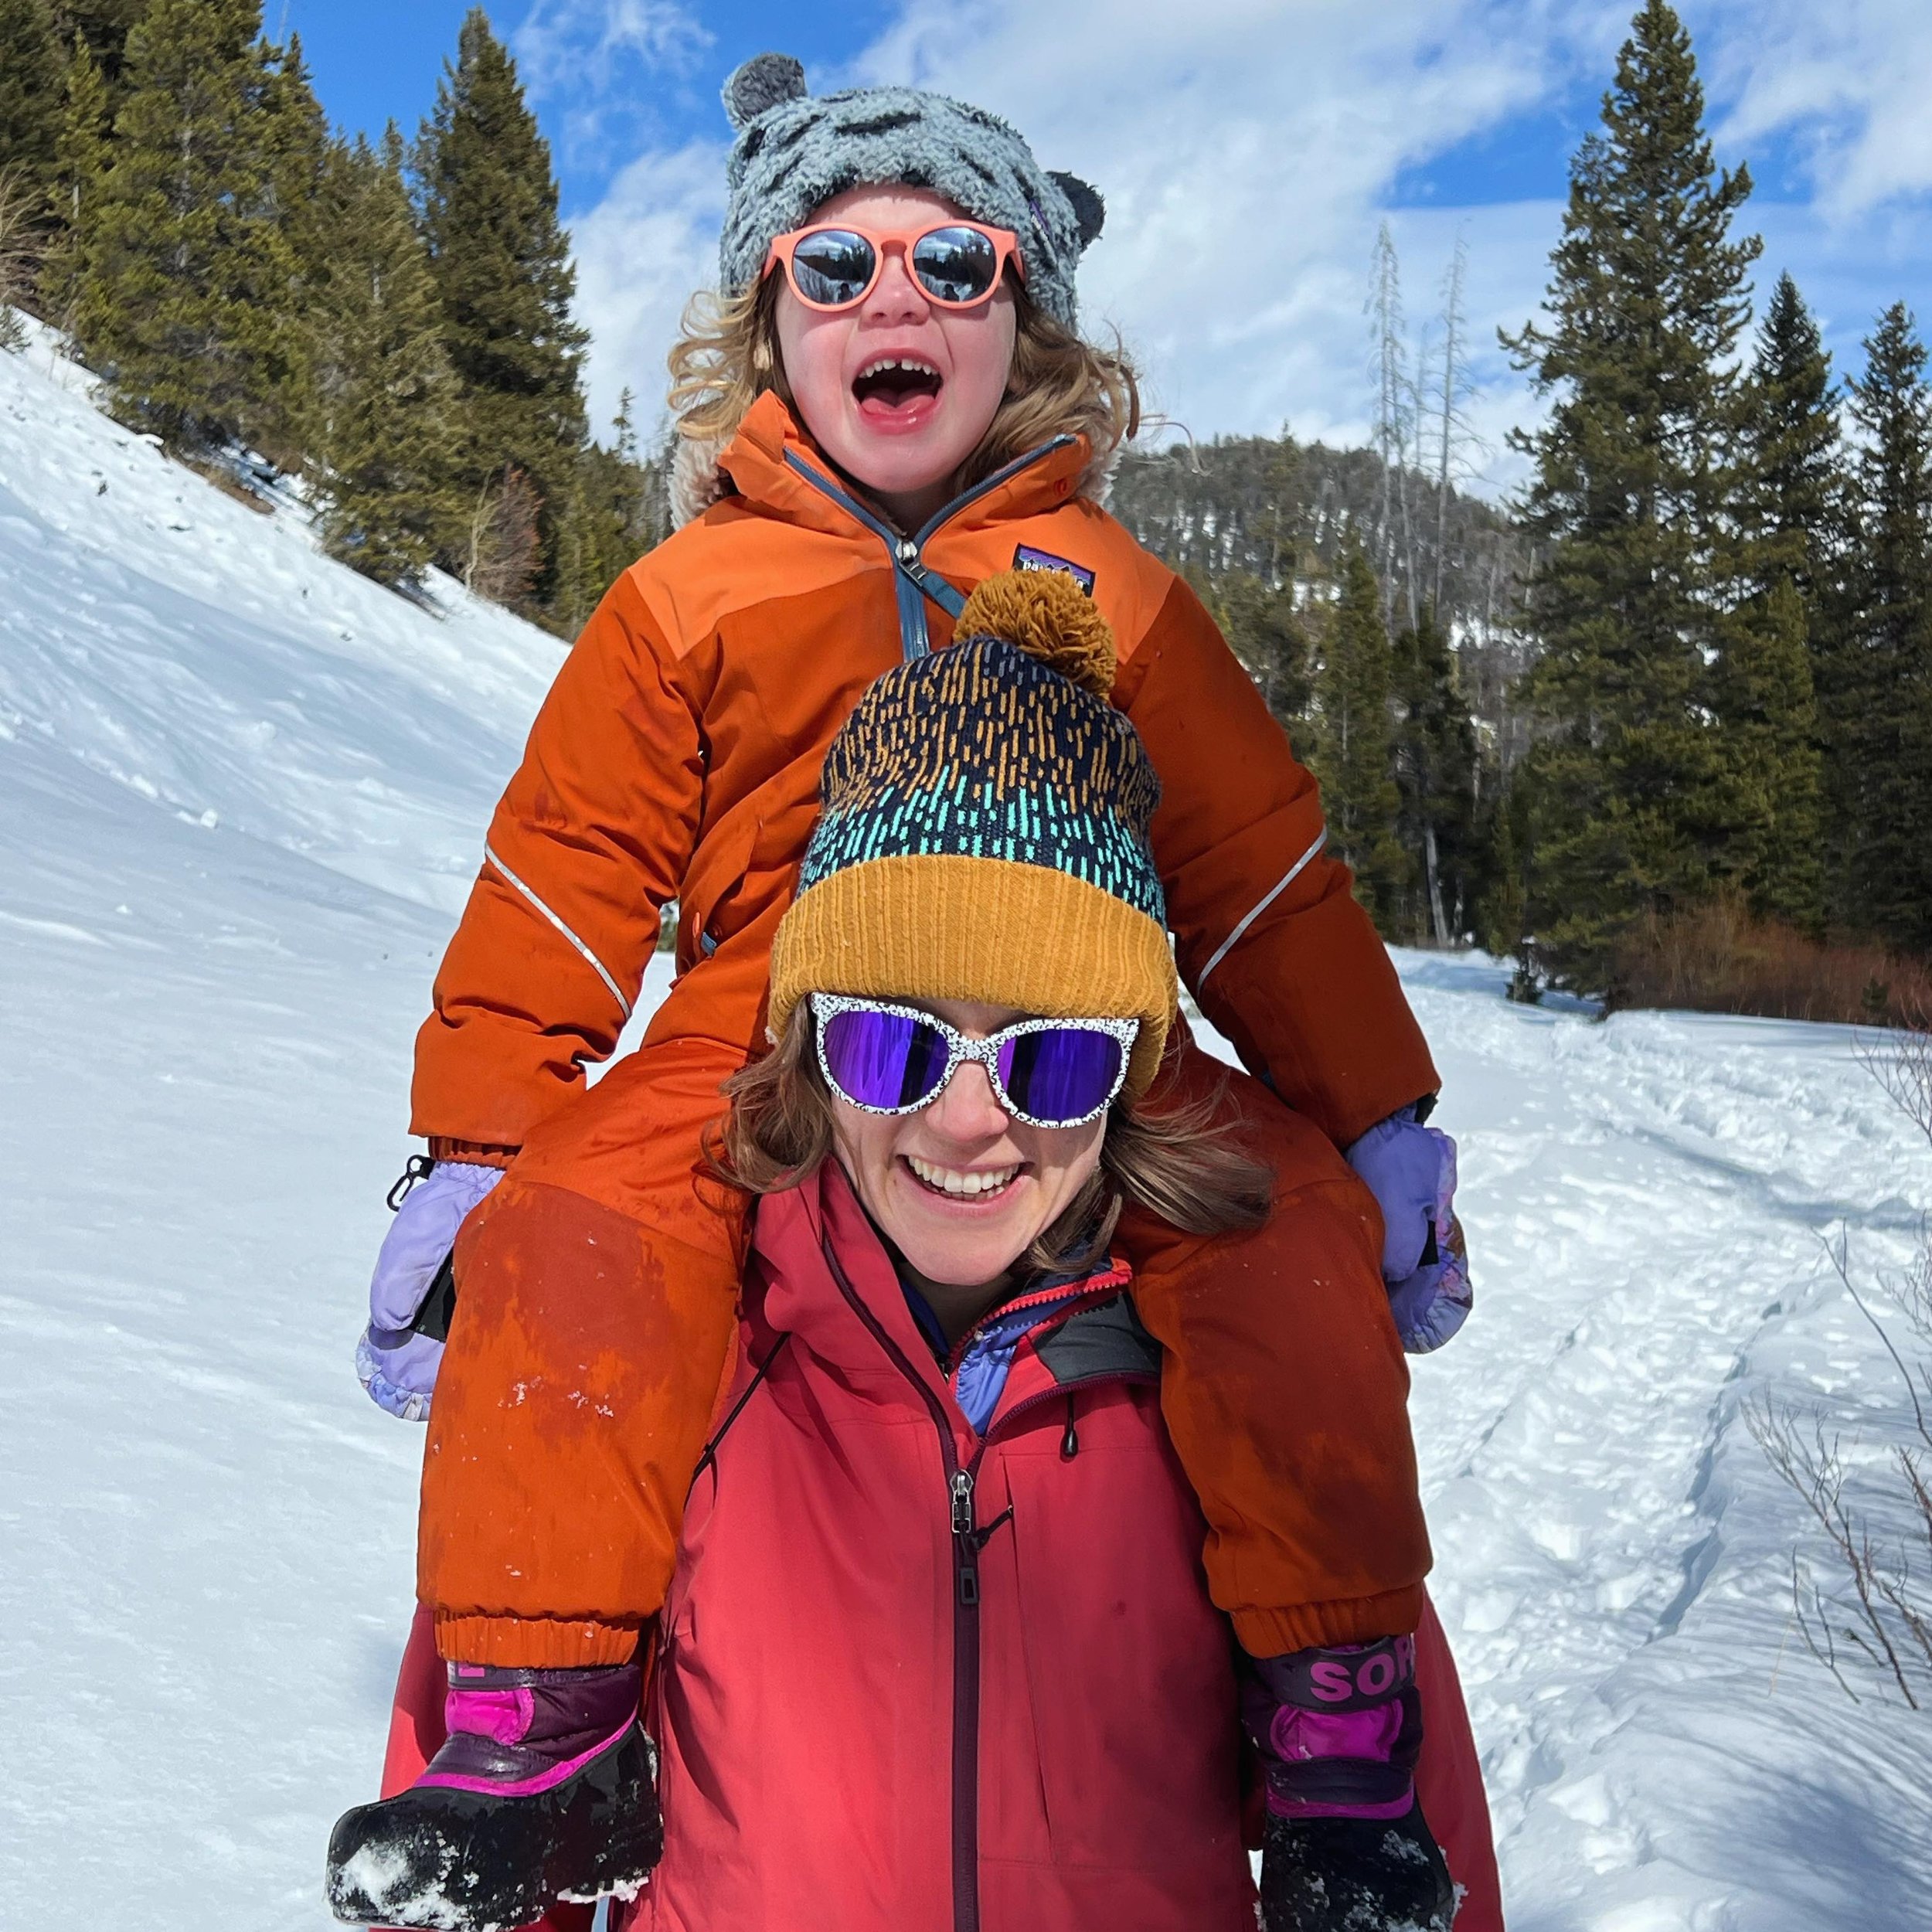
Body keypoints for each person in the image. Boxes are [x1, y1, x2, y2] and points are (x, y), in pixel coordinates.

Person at [332, 578, 1500, 1930]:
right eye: (890, 1041)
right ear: (805, 1047)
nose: (963, 1120)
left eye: (1051, 1057)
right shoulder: (645, 1385)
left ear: (1132, 1073)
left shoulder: (1261, 1415)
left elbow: (1414, 1869)